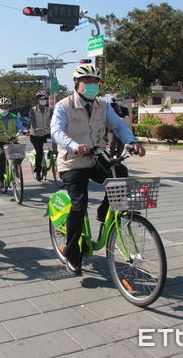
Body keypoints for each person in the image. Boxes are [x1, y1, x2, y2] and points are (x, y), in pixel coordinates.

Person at [51, 64, 145, 276]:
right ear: (77, 84)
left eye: (96, 82)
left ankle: (104, 211)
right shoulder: (63, 105)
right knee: (79, 204)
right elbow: (56, 131)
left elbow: (119, 126)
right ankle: (72, 254)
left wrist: (132, 142)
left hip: (96, 158)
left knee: (120, 173)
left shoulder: (103, 105)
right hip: (72, 162)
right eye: (88, 82)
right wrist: (75, 146)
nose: (93, 86)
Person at [0, 97, 28, 189]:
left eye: (6, 107)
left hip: (12, 141)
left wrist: (25, 131)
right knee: (1, 155)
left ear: (9, 108)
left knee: (21, 154)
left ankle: (15, 167)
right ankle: (0, 179)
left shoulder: (14, 117)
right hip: (0, 142)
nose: (4, 109)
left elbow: (20, 126)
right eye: (2, 107)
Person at [29, 90, 54, 181]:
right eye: (41, 99)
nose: (44, 101)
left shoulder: (49, 110)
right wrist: (35, 128)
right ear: (38, 100)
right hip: (36, 135)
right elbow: (32, 121)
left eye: (45, 99)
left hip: (46, 133)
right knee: (39, 153)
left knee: (55, 145)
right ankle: (38, 172)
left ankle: (51, 154)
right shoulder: (33, 110)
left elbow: (55, 119)